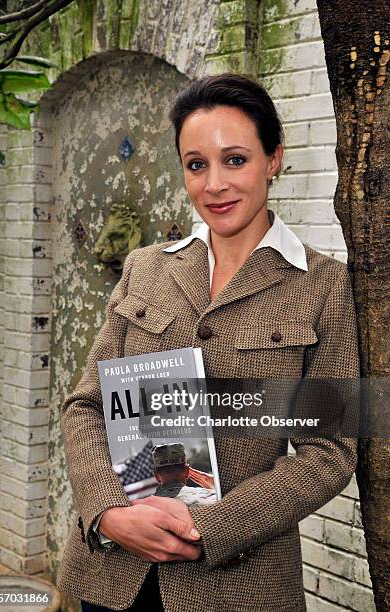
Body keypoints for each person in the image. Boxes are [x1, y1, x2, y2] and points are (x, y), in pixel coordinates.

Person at [56, 73, 360, 612]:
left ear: (274, 159)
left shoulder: (324, 285)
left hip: (236, 583)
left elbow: (329, 454)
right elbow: (85, 405)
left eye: (235, 159)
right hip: (112, 575)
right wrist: (107, 511)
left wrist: (211, 524)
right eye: (196, 165)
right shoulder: (146, 268)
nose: (214, 184)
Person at [152, 443, 217, 505]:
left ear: (156, 475)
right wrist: (217, 487)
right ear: (187, 471)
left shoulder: (145, 507)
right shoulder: (212, 498)